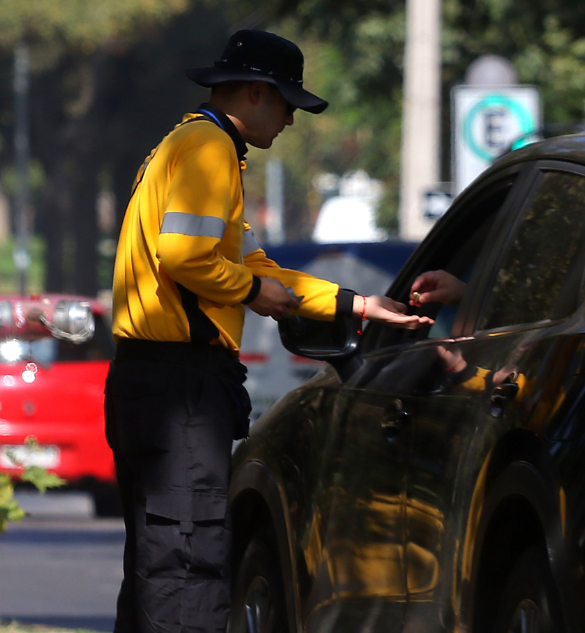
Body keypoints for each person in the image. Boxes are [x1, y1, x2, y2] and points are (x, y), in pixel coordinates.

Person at [105, 30, 429, 633]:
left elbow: (252, 264)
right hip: (178, 386)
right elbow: (186, 257)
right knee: (188, 562)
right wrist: (256, 295)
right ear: (256, 93)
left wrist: (354, 305)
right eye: (287, 105)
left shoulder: (191, 145)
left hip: (154, 382)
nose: (290, 122)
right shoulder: (208, 150)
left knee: (157, 567)